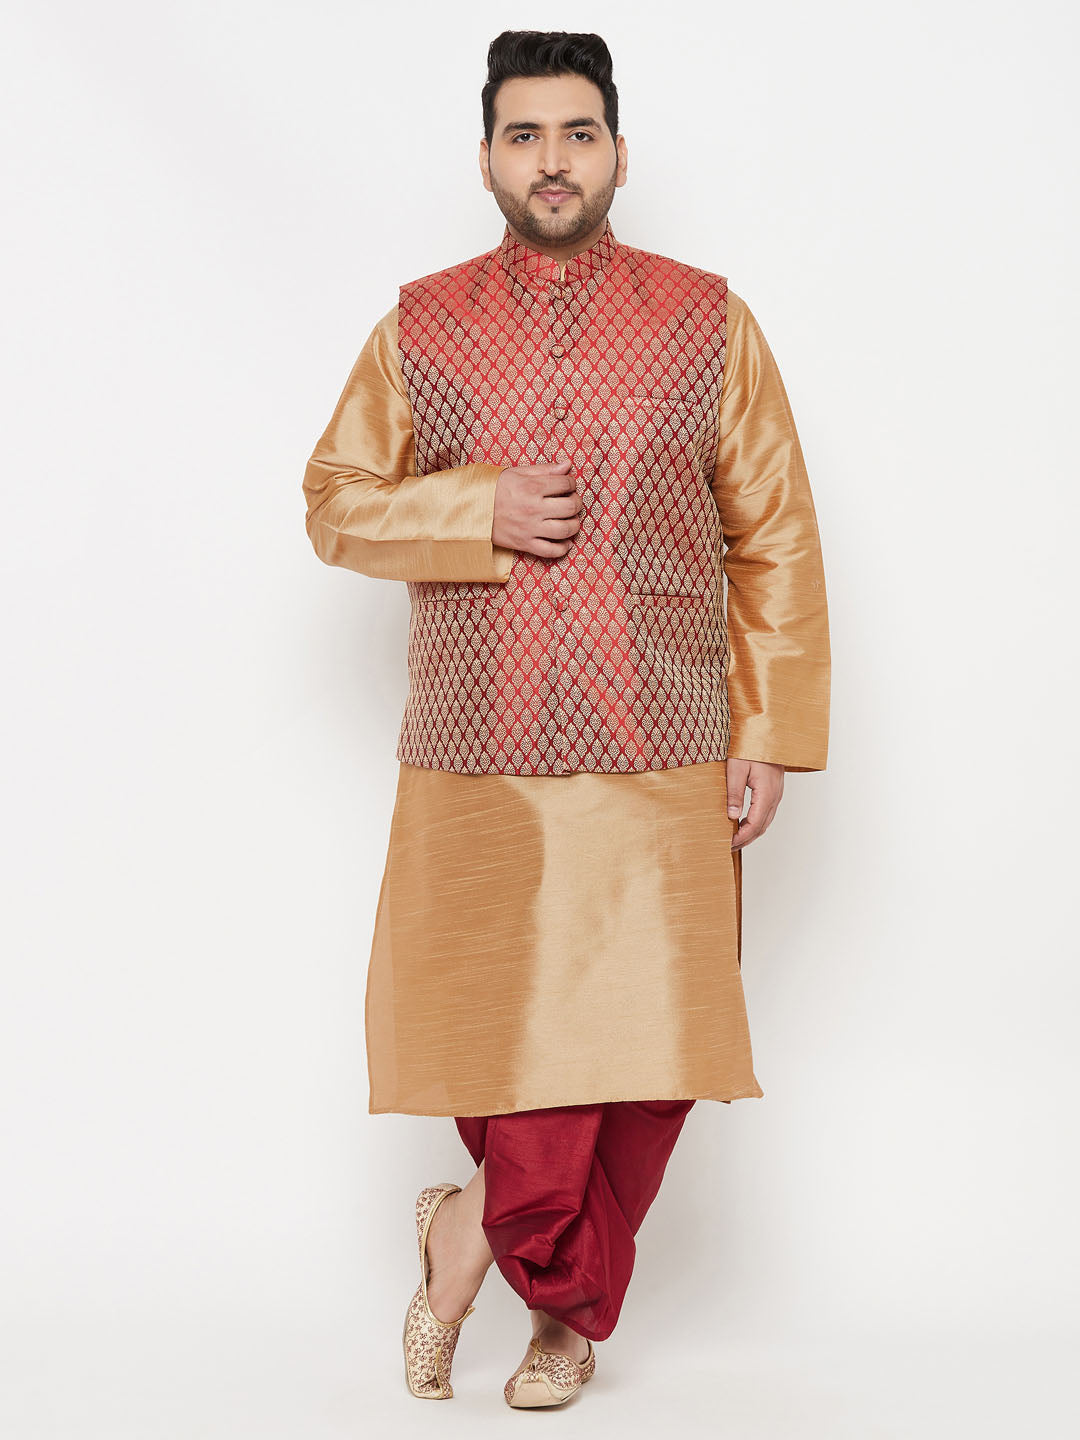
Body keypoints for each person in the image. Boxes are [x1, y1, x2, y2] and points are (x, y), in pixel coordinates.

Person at [301, 29, 830, 1409]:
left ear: (619, 154)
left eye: (578, 133)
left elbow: (773, 529)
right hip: (480, 745)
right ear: (486, 158)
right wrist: (472, 508)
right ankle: (565, 1318)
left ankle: (474, 1241)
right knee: (517, 1051)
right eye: (525, 135)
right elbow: (335, 503)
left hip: (667, 738)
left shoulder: (708, 321)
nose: (553, 161)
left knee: (655, 1061)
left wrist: (767, 726)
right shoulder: (421, 326)